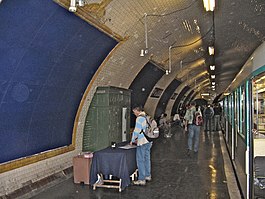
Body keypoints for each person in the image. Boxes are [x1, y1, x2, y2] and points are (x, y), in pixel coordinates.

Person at [130, 106, 152, 185]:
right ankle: (148, 175)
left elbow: (137, 131)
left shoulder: (139, 118)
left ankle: (142, 179)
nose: (134, 114)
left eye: (134, 112)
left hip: (142, 141)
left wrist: (132, 140)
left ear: (137, 111)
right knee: (147, 158)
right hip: (149, 140)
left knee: (140, 160)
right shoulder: (147, 116)